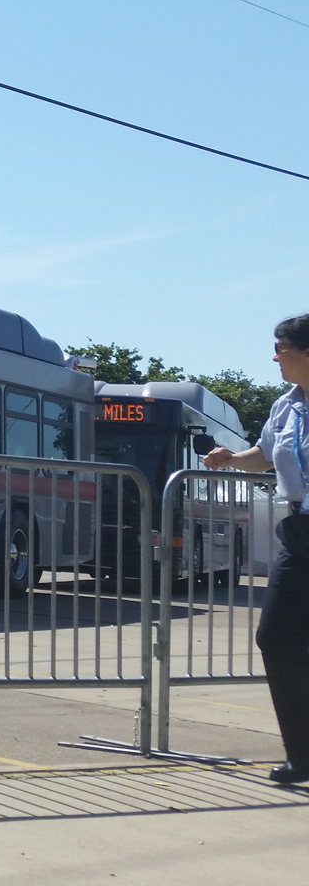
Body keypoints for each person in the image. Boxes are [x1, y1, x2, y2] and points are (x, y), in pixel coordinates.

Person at [204, 313, 309, 787]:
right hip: (301, 530)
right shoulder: (286, 406)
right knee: (277, 637)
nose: (274, 356)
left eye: (281, 347)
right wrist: (231, 459)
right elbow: (265, 455)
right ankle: (303, 756)